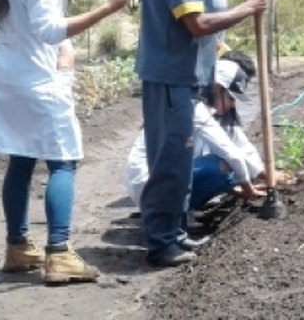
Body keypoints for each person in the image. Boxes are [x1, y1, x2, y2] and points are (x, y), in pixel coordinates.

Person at [0, 0, 138, 284]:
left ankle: (18, 247)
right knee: (62, 159)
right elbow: (51, 30)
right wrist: (108, 8)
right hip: (36, 79)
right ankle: (59, 253)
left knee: (21, 156)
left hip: (9, 75)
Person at [135, 0, 268, 268]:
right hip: (168, 78)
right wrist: (246, 9)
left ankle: (175, 234)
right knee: (169, 163)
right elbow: (195, 25)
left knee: (180, 161)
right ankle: (161, 243)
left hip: (182, 78)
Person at [126, 56, 293, 213]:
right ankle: (174, 217)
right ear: (217, 88)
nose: (233, 105)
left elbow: (242, 146)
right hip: (148, 185)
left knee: (230, 169)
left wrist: (264, 176)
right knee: (222, 166)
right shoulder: (195, 109)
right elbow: (233, 155)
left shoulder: (208, 111)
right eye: (231, 98)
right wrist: (247, 186)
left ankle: (176, 214)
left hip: (156, 185)